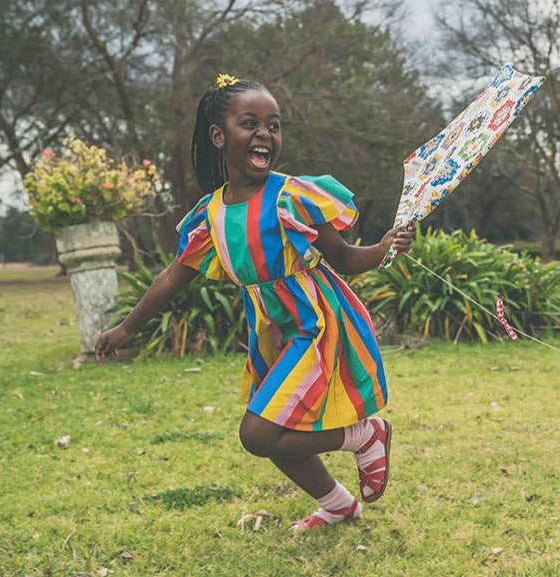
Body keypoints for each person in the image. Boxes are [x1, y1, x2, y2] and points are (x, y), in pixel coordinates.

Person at [95, 73, 414, 531]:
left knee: (258, 433)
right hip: (274, 333)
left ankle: (366, 434)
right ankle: (337, 504)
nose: (265, 133)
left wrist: (386, 247)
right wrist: (126, 327)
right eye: (251, 123)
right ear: (219, 136)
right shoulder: (211, 215)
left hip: (315, 326)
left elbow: (344, 258)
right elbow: (173, 276)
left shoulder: (291, 198)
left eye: (275, 125)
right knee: (277, 433)